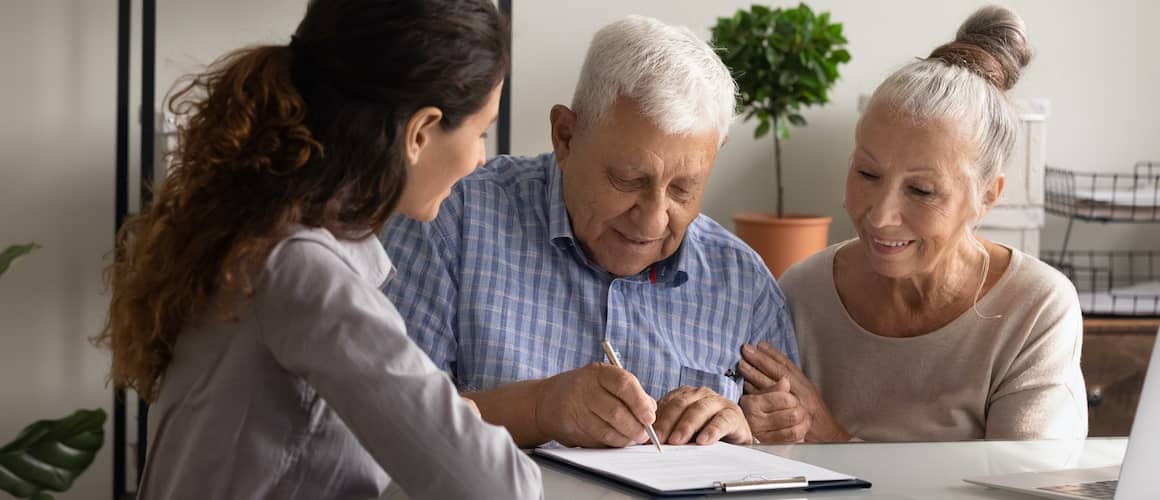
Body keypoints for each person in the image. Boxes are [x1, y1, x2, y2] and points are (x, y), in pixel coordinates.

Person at [97, 1, 542, 498]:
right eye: (480, 132)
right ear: (419, 132)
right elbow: (500, 489)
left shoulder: (261, 232)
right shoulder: (306, 273)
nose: (482, 159)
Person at [382, 15, 802, 449]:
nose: (653, 219)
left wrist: (750, 437)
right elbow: (379, 423)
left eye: (683, 189)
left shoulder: (745, 287)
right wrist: (538, 409)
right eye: (628, 179)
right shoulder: (451, 222)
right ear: (565, 136)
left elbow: (795, 461)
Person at [738, 5, 1088, 442]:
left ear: (987, 197)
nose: (881, 216)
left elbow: (1026, 487)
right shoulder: (801, 294)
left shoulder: (1034, 308)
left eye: (922, 191)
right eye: (866, 174)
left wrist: (833, 441)